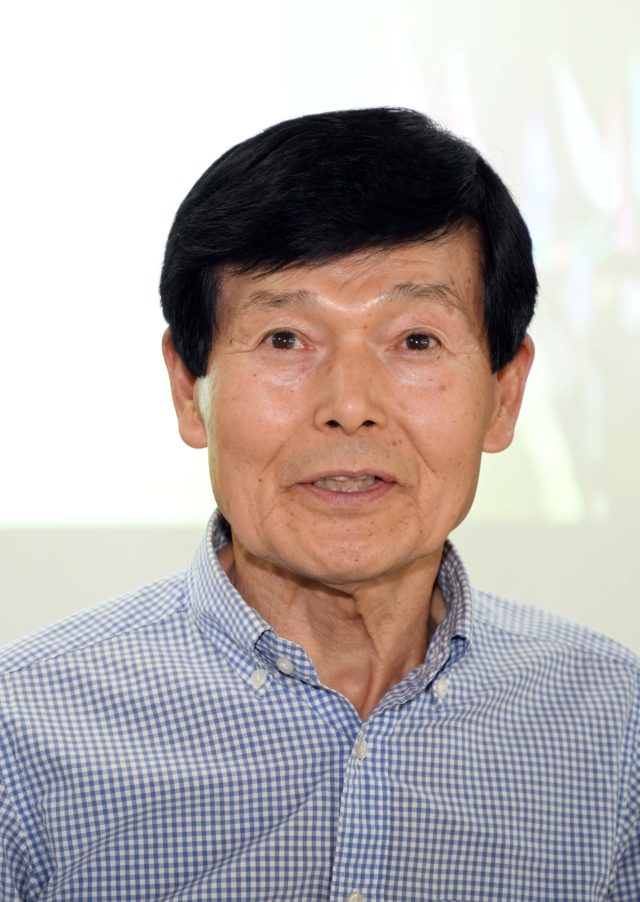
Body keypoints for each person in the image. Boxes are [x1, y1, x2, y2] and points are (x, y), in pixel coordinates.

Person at [0, 108, 638, 902]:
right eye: (285, 339)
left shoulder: (618, 732)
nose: (349, 407)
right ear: (188, 389)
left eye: (415, 341)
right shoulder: (20, 735)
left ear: (503, 396)